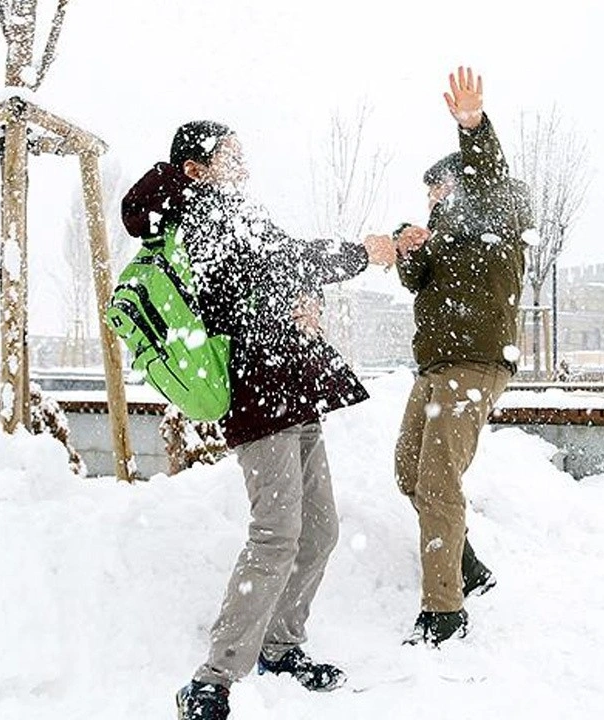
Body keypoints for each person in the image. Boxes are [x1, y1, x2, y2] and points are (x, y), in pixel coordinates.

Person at [120, 121, 397, 720]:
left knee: (319, 530)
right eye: (231, 156)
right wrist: (359, 255)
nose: (244, 165)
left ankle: (281, 647)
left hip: (291, 387)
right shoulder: (196, 216)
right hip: (257, 395)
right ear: (197, 169)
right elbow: (276, 267)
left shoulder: (232, 210)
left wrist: (306, 301)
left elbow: (275, 277)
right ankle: (212, 679)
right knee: (276, 534)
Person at [392, 67, 532, 646]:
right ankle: (467, 565)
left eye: (439, 190)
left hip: (475, 365)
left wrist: (472, 126)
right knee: (409, 471)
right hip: (436, 368)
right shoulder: (443, 236)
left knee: (438, 480)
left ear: (463, 184)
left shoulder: (498, 213)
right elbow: (415, 281)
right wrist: (407, 247)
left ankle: (444, 611)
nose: (433, 200)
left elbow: (489, 175)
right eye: (428, 195)